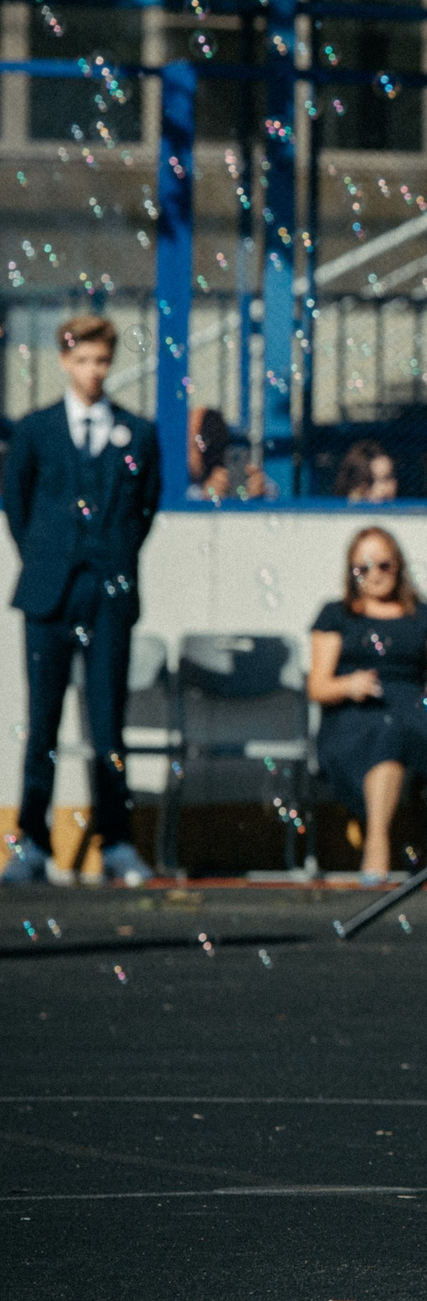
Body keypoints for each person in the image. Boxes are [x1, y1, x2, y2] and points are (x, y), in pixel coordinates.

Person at [1, 316, 158, 887]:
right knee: (41, 724)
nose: (93, 371)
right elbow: (15, 504)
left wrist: (110, 557)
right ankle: (32, 843)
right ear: (65, 361)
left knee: (107, 725)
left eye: (102, 361)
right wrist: (47, 558)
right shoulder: (36, 429)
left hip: (108, 596)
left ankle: (117, 841)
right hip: (48, 596)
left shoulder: (136, 432)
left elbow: (145, 508)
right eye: (83, 360)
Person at [307, 527, 427, 885]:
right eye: (363, 568)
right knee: (387, 732)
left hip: (411, 709)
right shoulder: (335, 615)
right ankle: (377, 841)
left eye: (383, 565)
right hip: (352, 713)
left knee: (395, 729)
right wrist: (348, 684)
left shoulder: (426, 616)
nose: (374, 574)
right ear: (351, 572)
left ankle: (376, 842)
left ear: (399, 566)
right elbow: (318, 685)